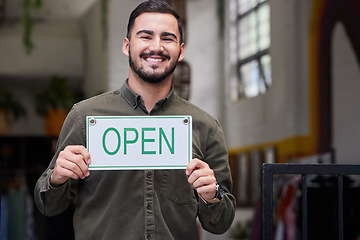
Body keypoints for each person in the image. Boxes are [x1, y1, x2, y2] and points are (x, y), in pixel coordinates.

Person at [34, 0, 236, 239]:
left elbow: (219, 223)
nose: (156, 47)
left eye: (168, 38)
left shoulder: (205, 128)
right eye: (146, 36)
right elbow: (49, 206)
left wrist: (212, 195)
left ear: (181, 51)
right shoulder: (84, 117)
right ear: (126, 45)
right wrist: (56, 179)